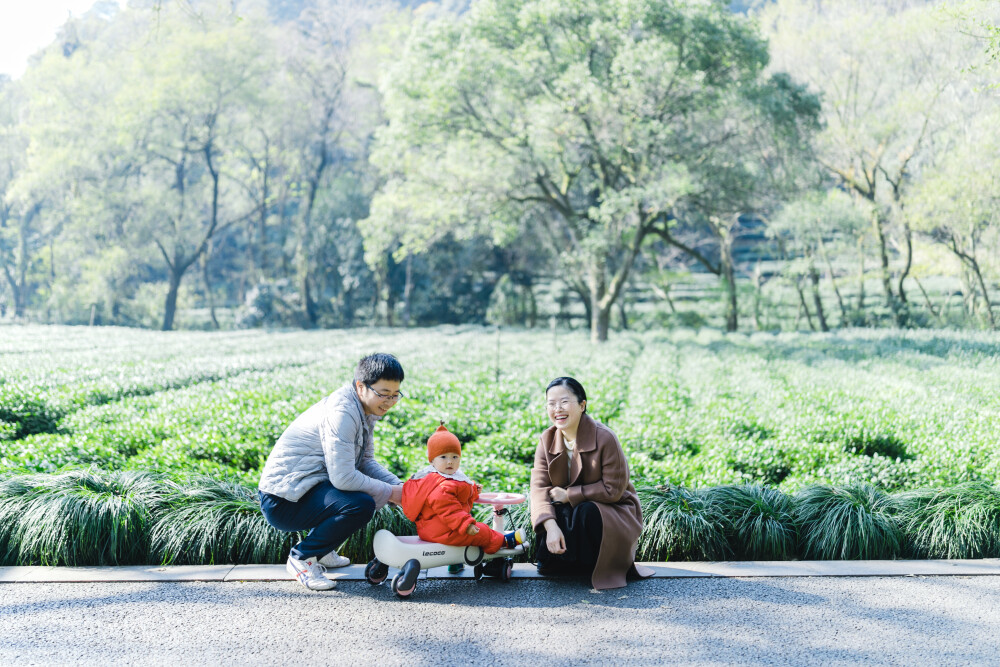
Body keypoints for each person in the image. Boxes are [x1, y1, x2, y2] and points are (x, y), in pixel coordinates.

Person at [258, 353, 406, 591]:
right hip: (283, 501)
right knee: (359, 504)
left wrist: (402, 487)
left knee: (358, 499)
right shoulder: (343, 413)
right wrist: (391, 492)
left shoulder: (365, 409)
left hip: (305, 490)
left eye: (395, 395)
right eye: (383, 394)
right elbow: (344, 477)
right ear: (361, 386)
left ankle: (322, 550)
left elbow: (366, 461)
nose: (389, 401)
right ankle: (301, 558)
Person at [530, 376, 654, 590]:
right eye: (551, 403)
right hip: (570, 510)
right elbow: (539, 488)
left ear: (582, 405)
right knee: (555, 519)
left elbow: (613, 490)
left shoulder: (605, 437)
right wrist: (550, 526)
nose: (557, 409)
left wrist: (570, 495)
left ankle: (590, 563)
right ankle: (569, 560)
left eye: (564, 402)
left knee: (586, 510)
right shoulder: (546, 439)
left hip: (613, 510)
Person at [402, 423, 526, 553]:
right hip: (444, 530)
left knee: (475, 530)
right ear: (432, 461)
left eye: (455, 457)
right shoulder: (440, 485)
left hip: (440, 528)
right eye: (443, 457)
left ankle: (455, 564)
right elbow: (449, 509)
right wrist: (465, 525)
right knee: (482, 531)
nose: (450, 461)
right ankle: (504, 541)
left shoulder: (446, 477)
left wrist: (473, 491)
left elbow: (459, 497)